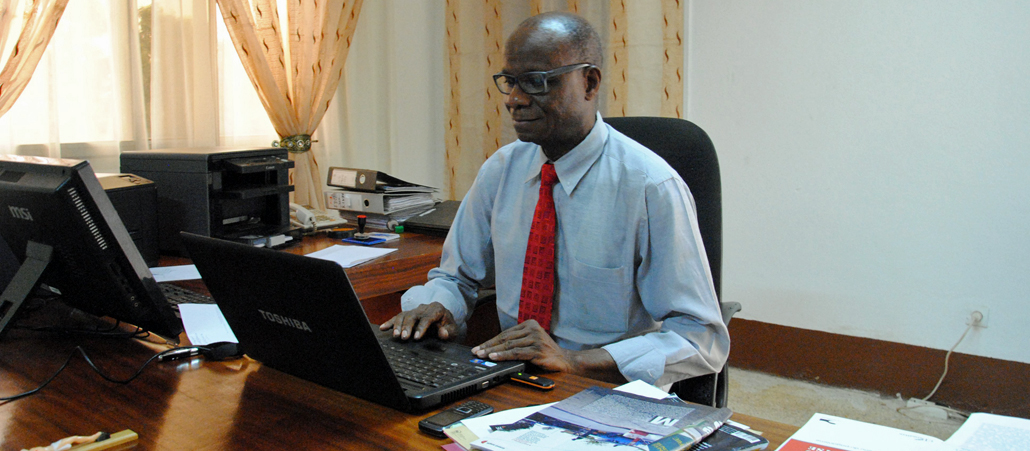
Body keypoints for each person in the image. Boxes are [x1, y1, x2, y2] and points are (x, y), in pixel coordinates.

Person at [381, 11, 728, 387]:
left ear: (589, 83)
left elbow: (701, 338)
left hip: (607, 390)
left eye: (535, 82)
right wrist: (438, 306)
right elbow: (456, 277)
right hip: (512, 379)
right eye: (510, 82)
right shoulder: (501, 170)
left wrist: (572, 360)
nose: (514, 100)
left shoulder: (650, 187)